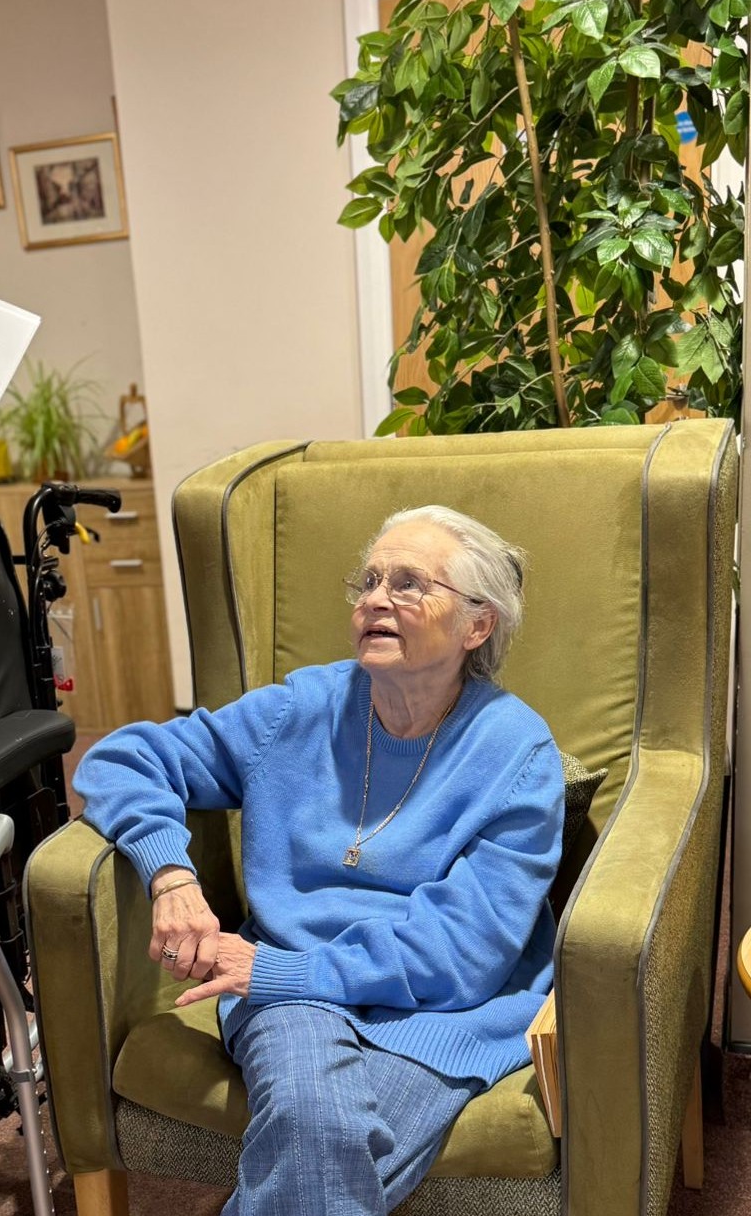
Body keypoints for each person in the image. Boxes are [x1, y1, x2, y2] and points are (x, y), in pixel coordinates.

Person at [73, 506, 566, 1215]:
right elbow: (124, 759)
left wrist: (273, 969)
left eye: (408, 584)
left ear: (476, 625)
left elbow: (465, 954)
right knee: (318, 1123)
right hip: (289, 994)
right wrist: (170, 872)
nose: (374, 600)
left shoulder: (515, 755)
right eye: (368, 582)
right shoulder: (301, 708)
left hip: (441, 1010)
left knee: (325, 1151)